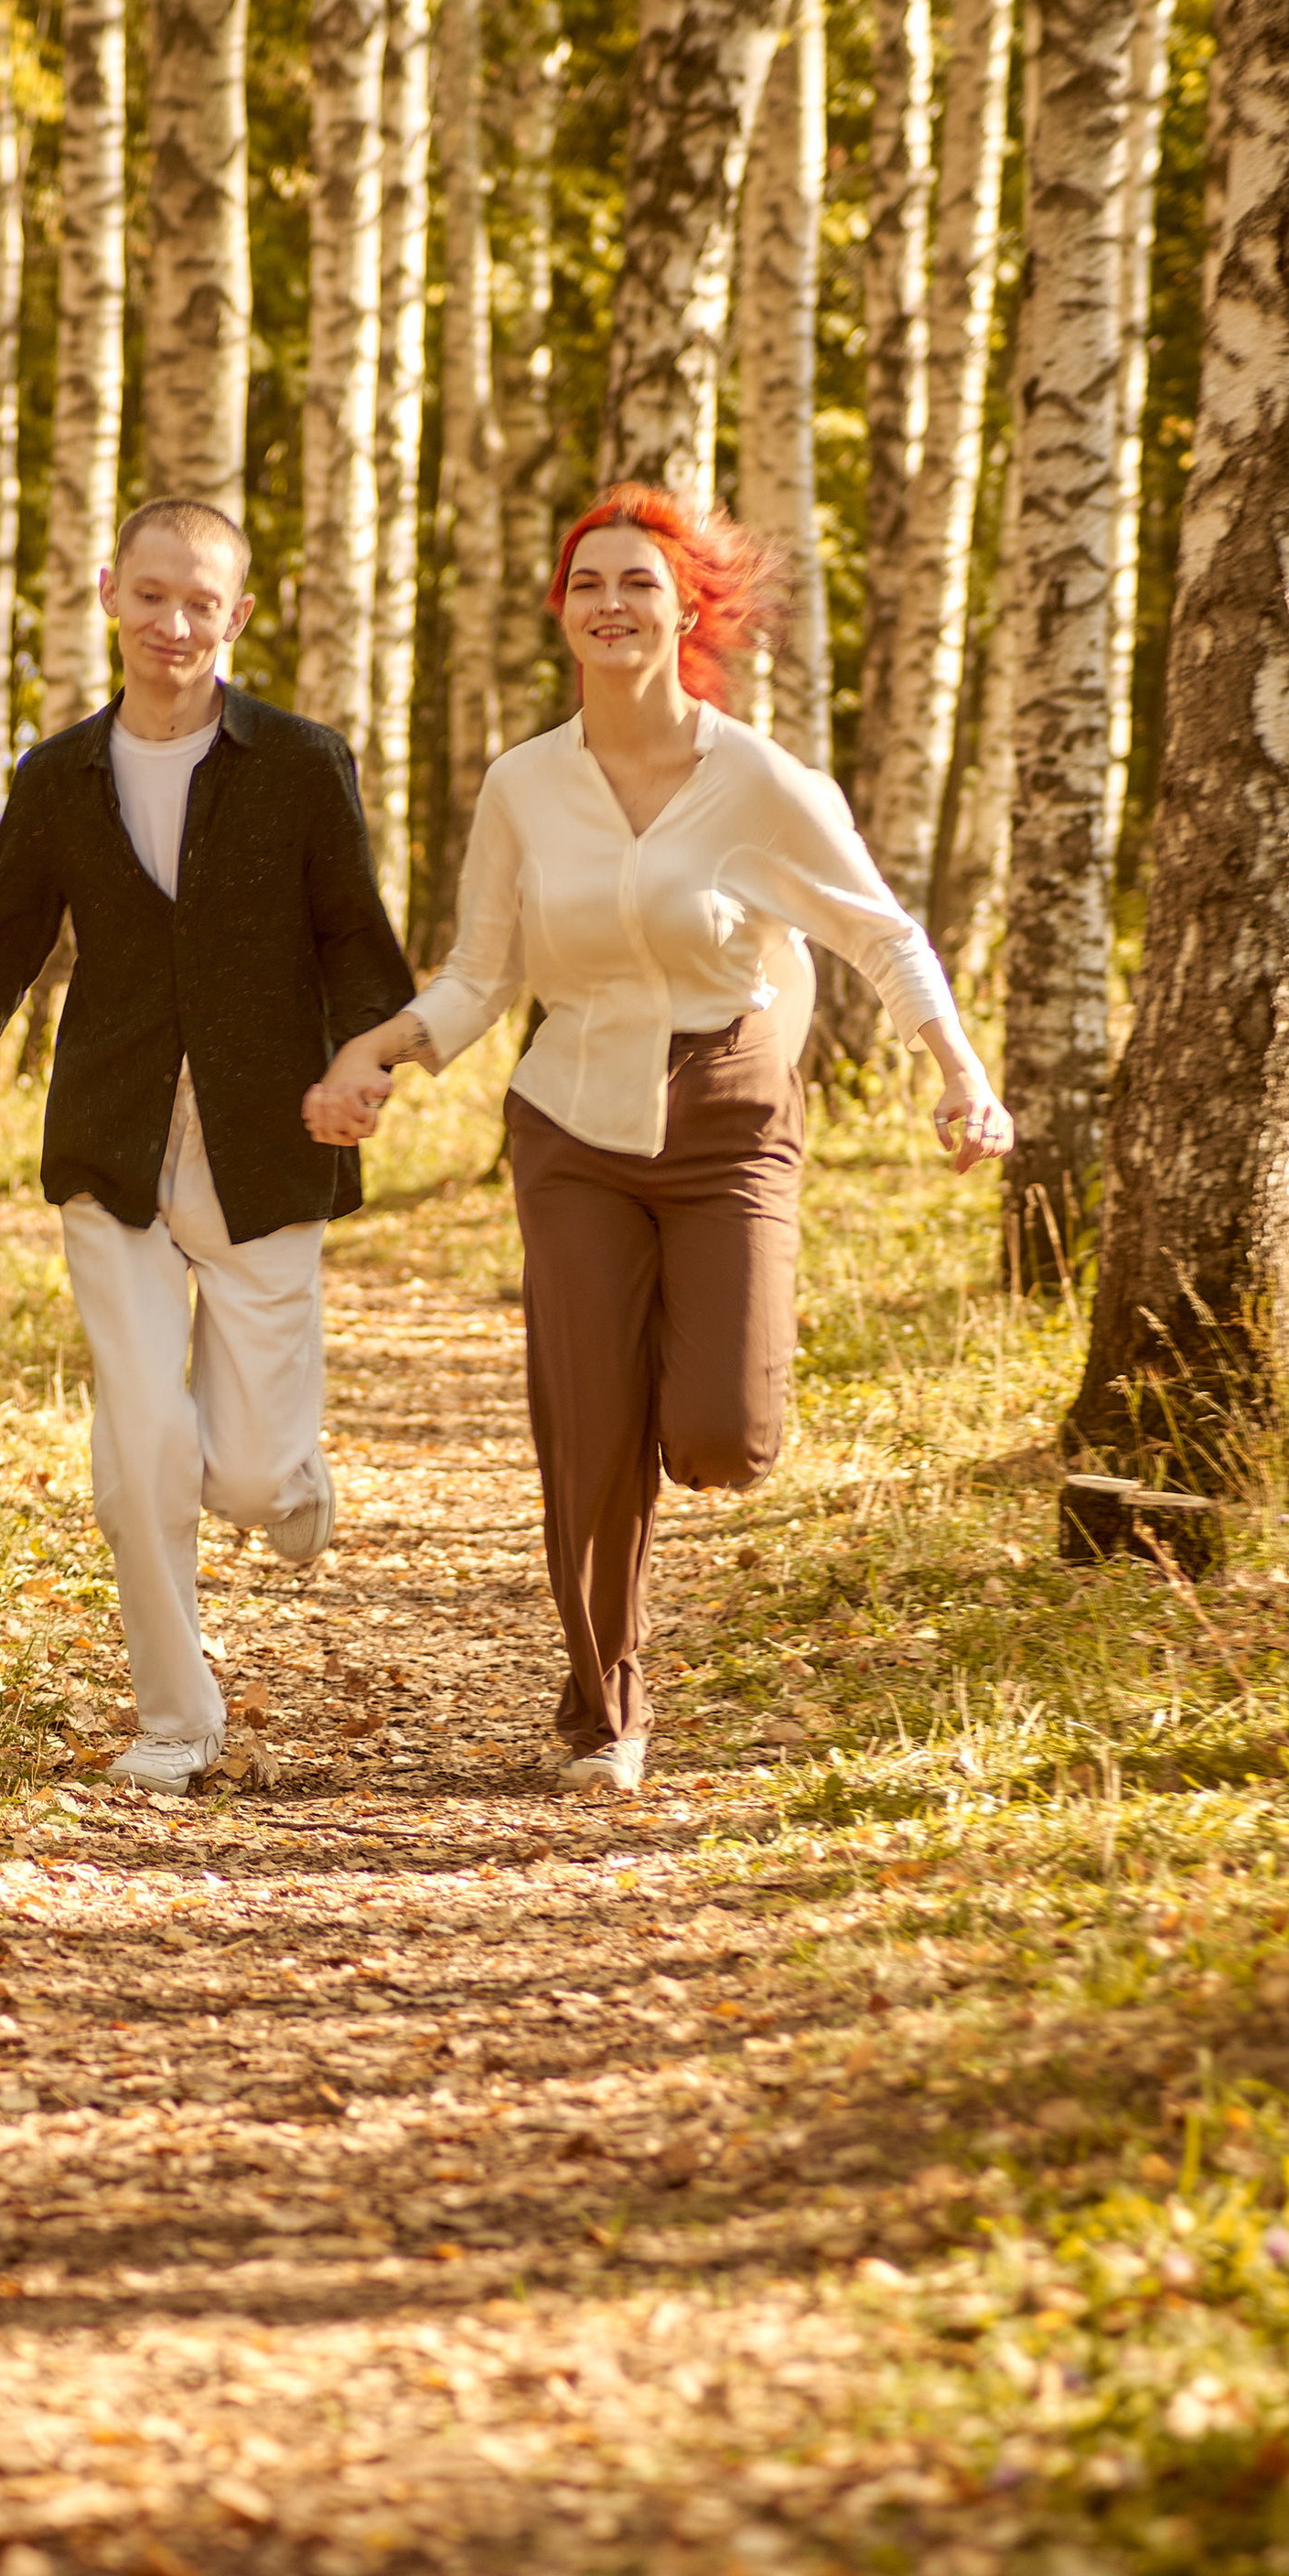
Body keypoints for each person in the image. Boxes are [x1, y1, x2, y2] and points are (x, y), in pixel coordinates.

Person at [304, 482, 1012, 1798]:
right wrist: (375, 1053)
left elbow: (880, 931)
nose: (611, 603)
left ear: (687, 610)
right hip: (569, 1118)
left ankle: (682, 1443)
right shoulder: (523, 783)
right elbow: (479, 973)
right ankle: (604, 1708)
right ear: (561, 614)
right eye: (588, 583)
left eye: (639, 582)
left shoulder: (754, 777)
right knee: (591, 1427)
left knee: (724, 1435)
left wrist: (962, 1075)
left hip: (729, 1111)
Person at [0, 499, 414, 1793]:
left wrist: (365, 1061)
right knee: (139, 1447)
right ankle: (177, 1719)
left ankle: (289, 1480)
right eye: (152, 595)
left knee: (242, 1475)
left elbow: (355, 937)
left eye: (202, 603)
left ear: (236, 619)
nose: (174, 623)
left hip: (266, 1137)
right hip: (112, 1141)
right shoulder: (57, 776)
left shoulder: (300, 762)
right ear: (110, 596)